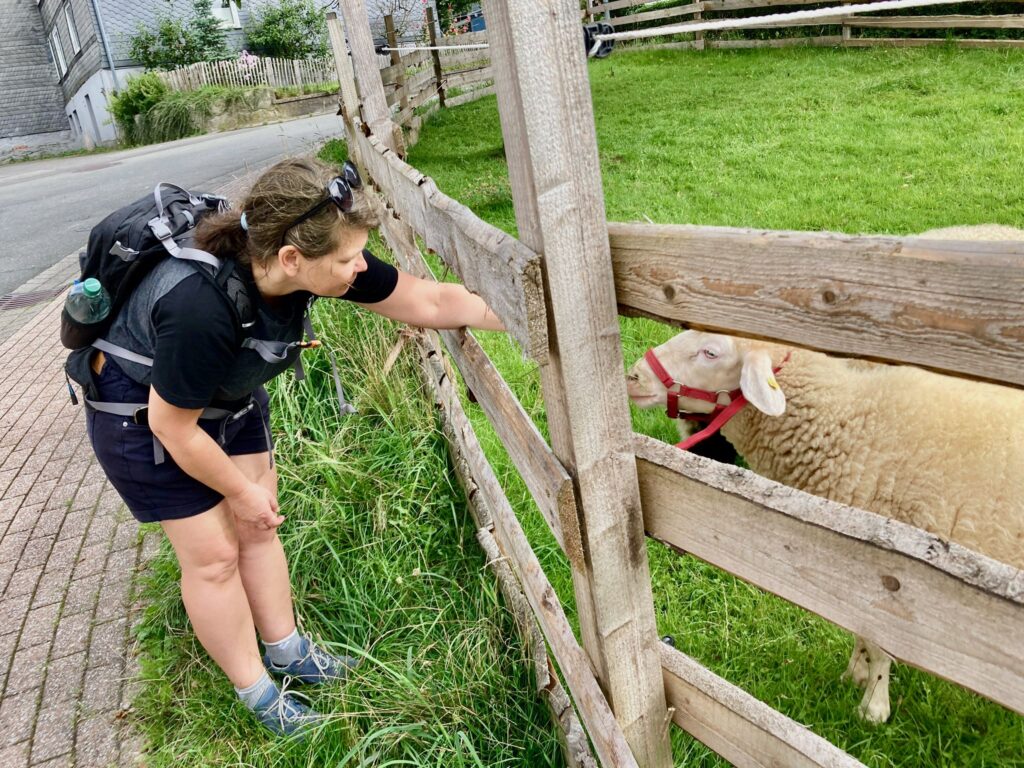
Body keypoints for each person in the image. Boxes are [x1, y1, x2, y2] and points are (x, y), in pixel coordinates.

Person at [82, 156, 504, 737]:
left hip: (226, 396)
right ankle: (258, 693)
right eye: (347, 260)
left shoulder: (317, 257)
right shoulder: (199, 307)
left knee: (259, 526)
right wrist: (239, 492)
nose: (360, 268)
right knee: (215, 556)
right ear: (290, 258)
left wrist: (522, 316)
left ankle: (287, 651)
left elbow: (428, 303)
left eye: (359, 254)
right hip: (142, 416)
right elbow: (173, 427)